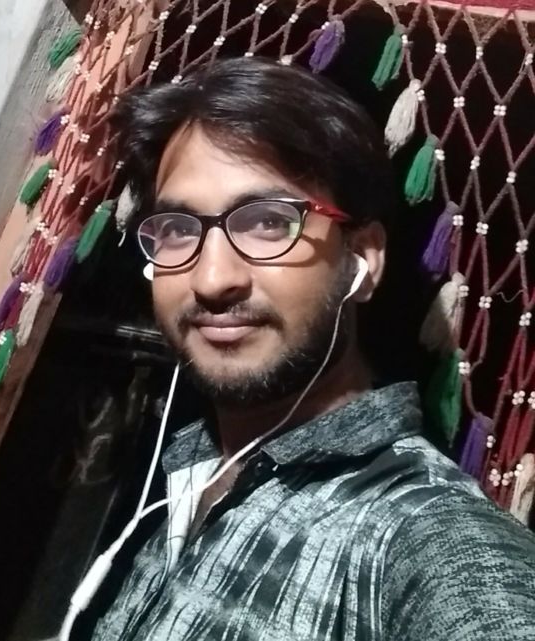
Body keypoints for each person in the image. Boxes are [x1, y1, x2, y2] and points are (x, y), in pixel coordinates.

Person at [85, 58, 535, 640]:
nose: (211, 279)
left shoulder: (426, 538)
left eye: (270, 223)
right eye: (176, 229)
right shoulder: (188, 463)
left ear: (362, 259)